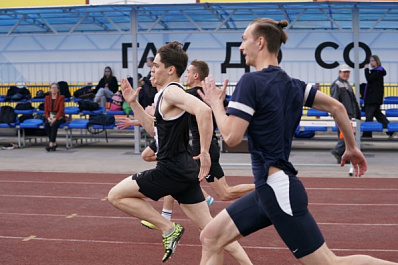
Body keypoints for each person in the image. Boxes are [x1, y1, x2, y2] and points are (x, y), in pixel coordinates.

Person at [198, 18, 396, 265]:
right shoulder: (294, 85)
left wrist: (216, 104)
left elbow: (231, 136)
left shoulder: (251, 82)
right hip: (266, 190)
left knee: (329, 263)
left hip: (278, 189)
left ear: (260, 42)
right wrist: (352, 147)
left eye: (244, 39)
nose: (240, 47)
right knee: (211, 237)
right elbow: (337, 107)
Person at [108, 41, 251, 264]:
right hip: (184, 171)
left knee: (116, 195)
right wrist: (134, 104)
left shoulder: (172, 92)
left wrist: (204, 151)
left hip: (171, 170)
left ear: (170, 69)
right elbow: (155, 131)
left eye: (156, 65)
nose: (152, 69)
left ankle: (168, 227)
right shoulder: (164, 95)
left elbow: (203, 110)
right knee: (213, 232)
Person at [330, 64, 361, 164]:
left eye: (347, 72)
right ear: (340, 73)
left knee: (344, 135)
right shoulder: (337, 84)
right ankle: (337, 151)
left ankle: (342, 157)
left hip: (347, 114)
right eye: (344, 72)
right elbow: (334, 100)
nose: (346, 74)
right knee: (347, 135)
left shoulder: (346, 84)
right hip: (342, 115)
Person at [362, 55, 393, 138]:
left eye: (372, 61)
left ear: (377, 62)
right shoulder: (376, 72)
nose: (371, 62)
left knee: (369, 115)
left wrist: (366, 69)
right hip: (373, 98)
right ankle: (390, 130)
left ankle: (367, 135)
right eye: (370, 61)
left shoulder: (378, 72)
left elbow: (369, 79)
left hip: (373, 99)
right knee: (378, 115)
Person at [44, 82, 66, 152]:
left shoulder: (61, 97)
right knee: (47, 124)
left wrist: (54, 119)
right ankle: (54, 143)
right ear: (50, 90)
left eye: (55, 88)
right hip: (50, 116)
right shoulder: (47, 98)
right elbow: (46, 110)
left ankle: (51, 143)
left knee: (54, 124)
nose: (53, 89)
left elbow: (61, 110)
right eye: (52, 88)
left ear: (58, 90)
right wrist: (48, 118)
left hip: (60, 117)